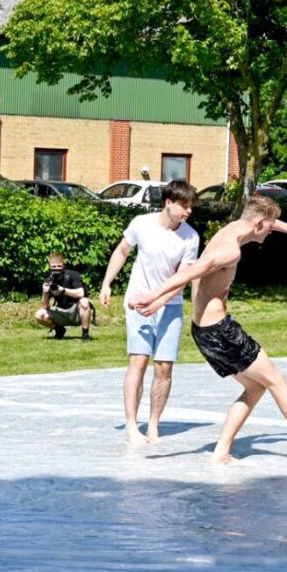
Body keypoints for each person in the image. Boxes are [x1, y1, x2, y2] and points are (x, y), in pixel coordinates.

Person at [130, 196, 287, 465]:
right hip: (220, 332)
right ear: (259, 223)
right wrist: (153, 296)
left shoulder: (234, 228)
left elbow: (264, 220)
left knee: (256, 387)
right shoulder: (231, 250)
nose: (269, 233)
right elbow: (194, 271)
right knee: (276, 380)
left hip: (206, 331)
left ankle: (221, 452)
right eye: (269, 228)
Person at [100, 179, 201, 445]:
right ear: (168, 203)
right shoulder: (141, 223)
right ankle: (132, 425)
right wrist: (107, 284)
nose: (188, 211)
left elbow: (182, 278)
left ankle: (154, 424)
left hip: (170, 305)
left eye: (191, 206)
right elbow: (122, 251)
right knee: (139, 361)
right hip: (137, 302)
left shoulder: (190, 237)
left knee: (164, 367)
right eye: (184, 205)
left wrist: (157, 303)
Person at [34, 252, 93, 340]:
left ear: (63, 265)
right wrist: (45, 293)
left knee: (84, 301)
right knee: (39, 315)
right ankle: (59, 330)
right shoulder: (49, 281)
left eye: (59, 266)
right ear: (50, 266)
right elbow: (44, 306)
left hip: (76, 311)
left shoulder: (72, 275)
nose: (56, 269)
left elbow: (81, 293)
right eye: (54, 267)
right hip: (61, 311)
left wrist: (63, 290)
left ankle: (85, 334)